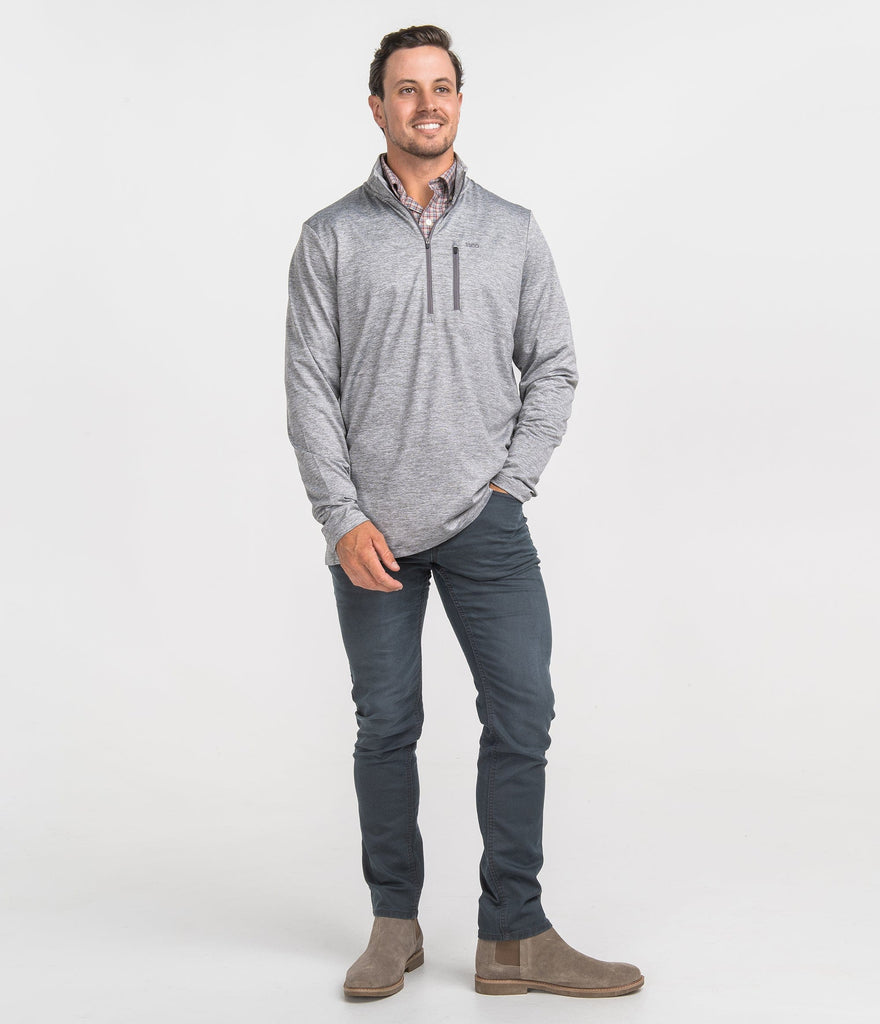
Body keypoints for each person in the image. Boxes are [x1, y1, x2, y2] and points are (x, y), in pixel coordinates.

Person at [284, 24, 644, 1000]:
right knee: (385, 726)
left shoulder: (512, 230)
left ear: (458, 101)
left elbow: (554, 364)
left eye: (440, 86)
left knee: (523, 714)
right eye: (406, 89)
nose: (426, 104)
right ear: (377, 107)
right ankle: (393, 926)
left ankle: (512, 935)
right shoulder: (329, 237)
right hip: (372, 535)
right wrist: (340, 516)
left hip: (487, 524)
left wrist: (511, 484)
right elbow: (309, 388)